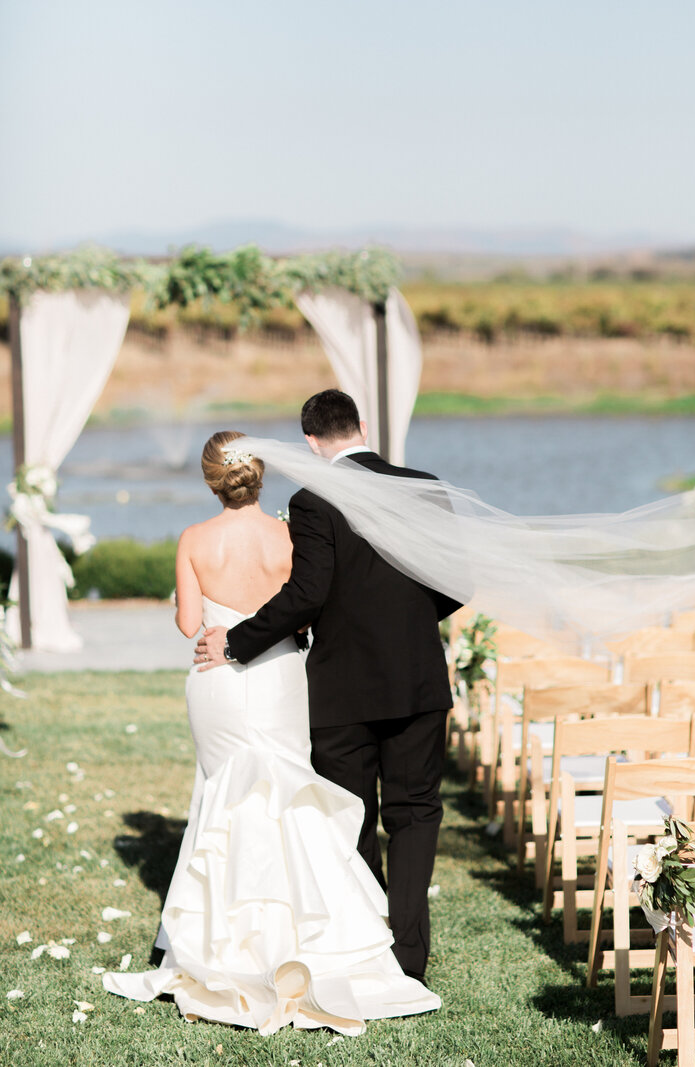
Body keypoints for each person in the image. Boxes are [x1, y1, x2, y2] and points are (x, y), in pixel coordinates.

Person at [103, 429, 441, 1035]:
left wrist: (214, 618)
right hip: (283, 673)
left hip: (220, 681)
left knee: (223, 796)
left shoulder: (193, 539)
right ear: (259, 475)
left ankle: (220, 938)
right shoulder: (292, 532)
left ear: (211, 480)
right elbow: (312, 602)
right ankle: (313, 930)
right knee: (288, 797)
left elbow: (188, 624)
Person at [196, 391, 460, 983]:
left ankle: (367, 941)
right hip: (419, 679)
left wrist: (236, 642)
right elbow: (457, 580)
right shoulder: (426, 486)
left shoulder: (313, 502)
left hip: (344, 687)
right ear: (362, 427)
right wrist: (410, 621)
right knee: (416, 814)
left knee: (350, 815)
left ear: (311, 442)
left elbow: (307, 596)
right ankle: (410, 961)